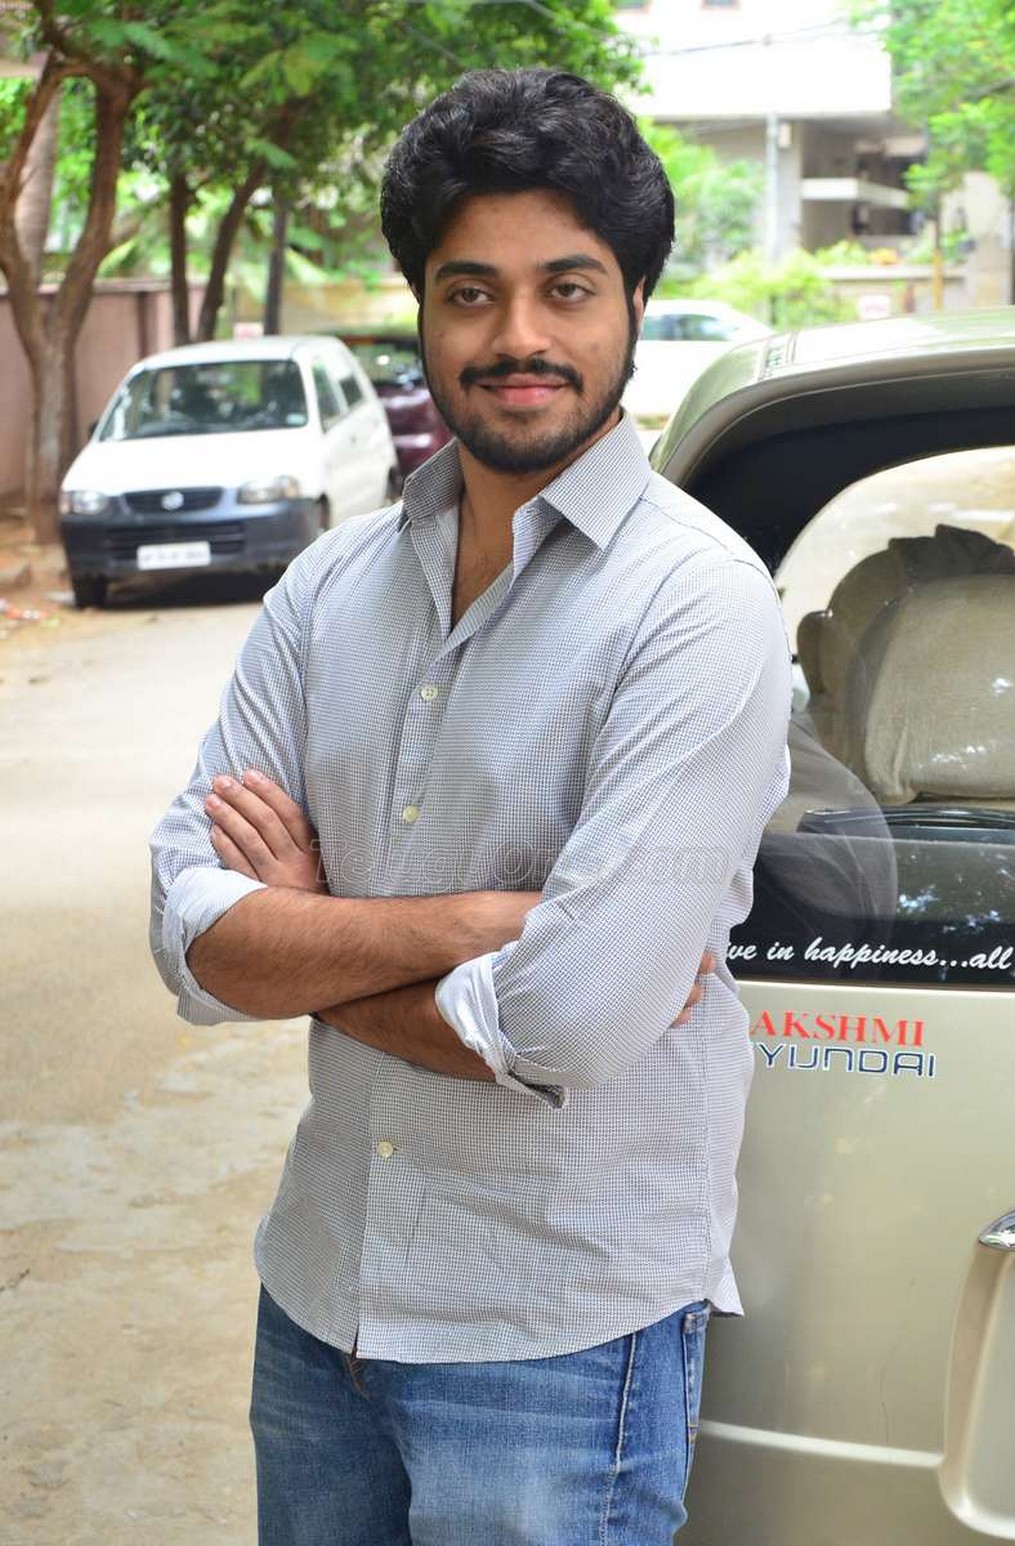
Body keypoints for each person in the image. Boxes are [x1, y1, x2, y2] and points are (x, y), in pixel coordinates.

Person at [150, 67, 790, 1545]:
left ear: (634, 298)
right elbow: (191, 943)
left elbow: (572, 1021)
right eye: (470, 293)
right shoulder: (329, 587)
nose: (518, 338)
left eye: (567, 287)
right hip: (320, 1300)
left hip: (554, 1343)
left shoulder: (696, 606)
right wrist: (480, 928)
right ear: (422, 313)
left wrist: (309, 939)